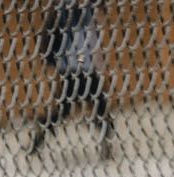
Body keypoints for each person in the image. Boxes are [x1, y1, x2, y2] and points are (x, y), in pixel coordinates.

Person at [30, 0, 115, 159]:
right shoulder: (71, 14)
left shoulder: (84, 15)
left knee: (83, 107)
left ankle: (43, 126)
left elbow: (91, 46)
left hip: (79, 68)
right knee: (79, 107)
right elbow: (80, 49)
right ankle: (43, 126)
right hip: (76, 68)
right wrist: (84, 64)